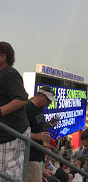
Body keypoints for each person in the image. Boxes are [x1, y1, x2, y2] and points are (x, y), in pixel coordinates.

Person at [0, 41, 30, 182]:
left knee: (9, 176)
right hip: (6, 135)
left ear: (3, 57)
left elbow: (22, 98)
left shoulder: (9, 73)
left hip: (12, 135)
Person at [25, 85, 58, 182]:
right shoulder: (27, 108)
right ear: (41, 95)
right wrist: (37, 136)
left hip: (38, 155)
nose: (49, 103)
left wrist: (48, 124)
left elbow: (37, 127)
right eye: (48, 100)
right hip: (31, 157)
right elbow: (20, 132)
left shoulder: (40, 109)